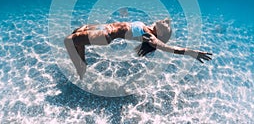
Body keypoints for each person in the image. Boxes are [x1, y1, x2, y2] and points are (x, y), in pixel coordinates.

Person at [64, 18, 212, 79]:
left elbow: (168, 48)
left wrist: (192, 53)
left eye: (166, 25)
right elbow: (166, 20)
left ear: (159, 32)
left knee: (68, 41)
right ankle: (82, 64)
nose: (166, 21)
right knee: (77, 32)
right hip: (103, 28)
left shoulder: (149, 36)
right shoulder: (147, 27)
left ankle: (79, 66)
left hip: (105, 34)